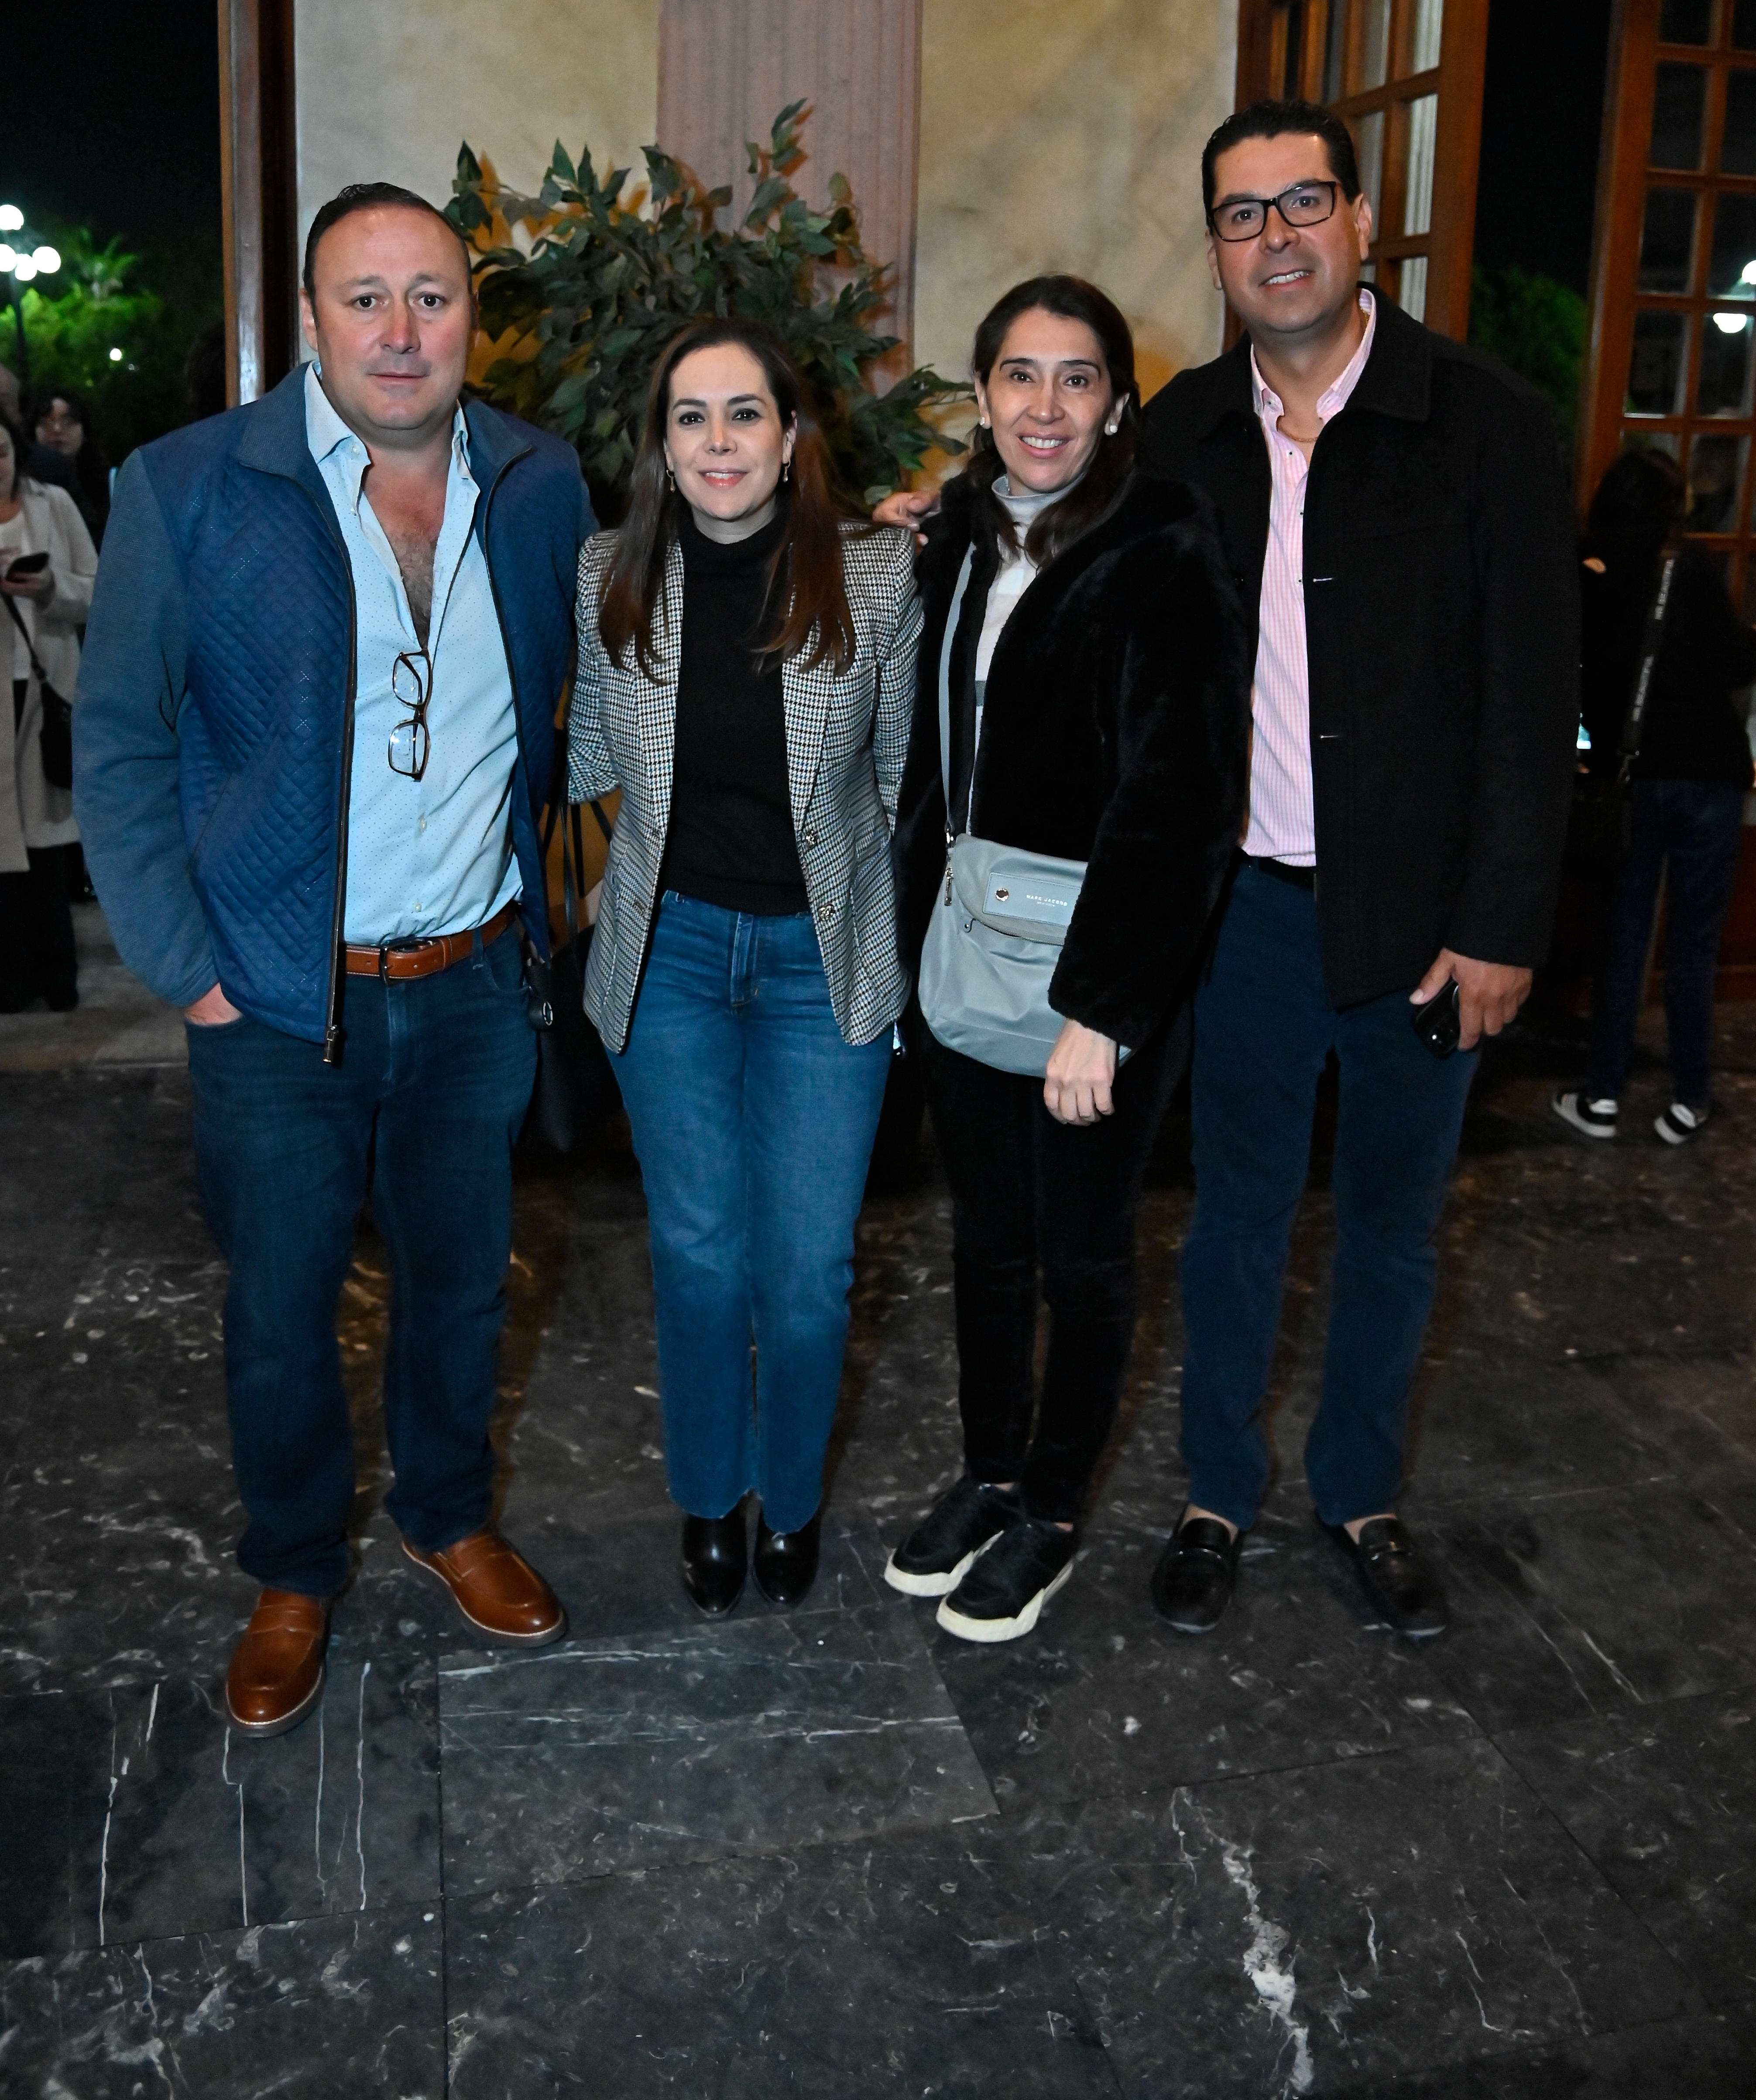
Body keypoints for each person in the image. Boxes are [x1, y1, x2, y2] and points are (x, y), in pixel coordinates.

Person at [74, 182, 591, 1738]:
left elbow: (580, 691)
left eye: (432, 296)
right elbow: (120, 739)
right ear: (309, 319)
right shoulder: (188, 486)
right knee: (284, 1311)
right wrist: (191, 967)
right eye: (365, 298)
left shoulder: (540, 480)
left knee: (460, 1284)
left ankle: (446, 1512)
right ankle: (294, 1568)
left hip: (474, 981)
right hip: (275, 1003)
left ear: (472, 316)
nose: (400, 330)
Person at [1139, 99, 1577, 1641]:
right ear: (1214, 249)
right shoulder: (1181, 431)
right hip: (1244, 920)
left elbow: (1532, 699)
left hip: (1426, 929)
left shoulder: (1486, 421)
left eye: (1302, 201)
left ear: (1363, 218)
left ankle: (1359, 1492)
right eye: (1241, 214)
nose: (1275, 237)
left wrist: (1500, 923)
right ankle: (1215, 1490)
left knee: (1393, 1227)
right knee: (1234, 1223)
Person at [882, 277, 1249, 1644]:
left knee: (1082, 1260)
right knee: (986, 1243)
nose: (1046, 407)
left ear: (1117, 403)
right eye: (1020, 377)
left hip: (1096, 973)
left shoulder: (1165, 546)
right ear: (981, 397)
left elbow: (1184, 796)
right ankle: (989, 1472)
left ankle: (1050, 1508)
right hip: (964, 952)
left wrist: (1106, 1009)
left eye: (1077, 378)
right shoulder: (960, 537)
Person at [569, 319, 920, 1616]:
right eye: (689, 416)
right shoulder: (609, 571)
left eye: (743, 414)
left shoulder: (873, 573)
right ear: (661, 446)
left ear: (790, 436)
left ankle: (795, 1494)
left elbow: (902, 777)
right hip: (667, 958)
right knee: (701, 1255)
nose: (717, 442)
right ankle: (712, 1498)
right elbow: (583, 760)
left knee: (810, 1275)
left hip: (820, 964)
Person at [1554, 445, 1756, 1149]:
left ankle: (1602, 1096)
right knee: (1695, 945)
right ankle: (1689, 1099)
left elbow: (1574, 678)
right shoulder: (1689, 566)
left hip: (1633, 779)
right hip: (1710, 776)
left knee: (1625, 937)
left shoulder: (1584, 568)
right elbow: (1736, 665)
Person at [0, 410, 96, 1009]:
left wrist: (50, 588)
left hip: (45, 689)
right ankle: (11, 980)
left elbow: (97, 587)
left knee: (45, 843)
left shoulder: (53, 505)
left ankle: (58, 975)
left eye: (1, 451)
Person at [31, 385, 109, 548]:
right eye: (47, 422)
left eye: (68, 422)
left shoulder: (108, 484)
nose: (57, 429)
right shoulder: (25, 485)